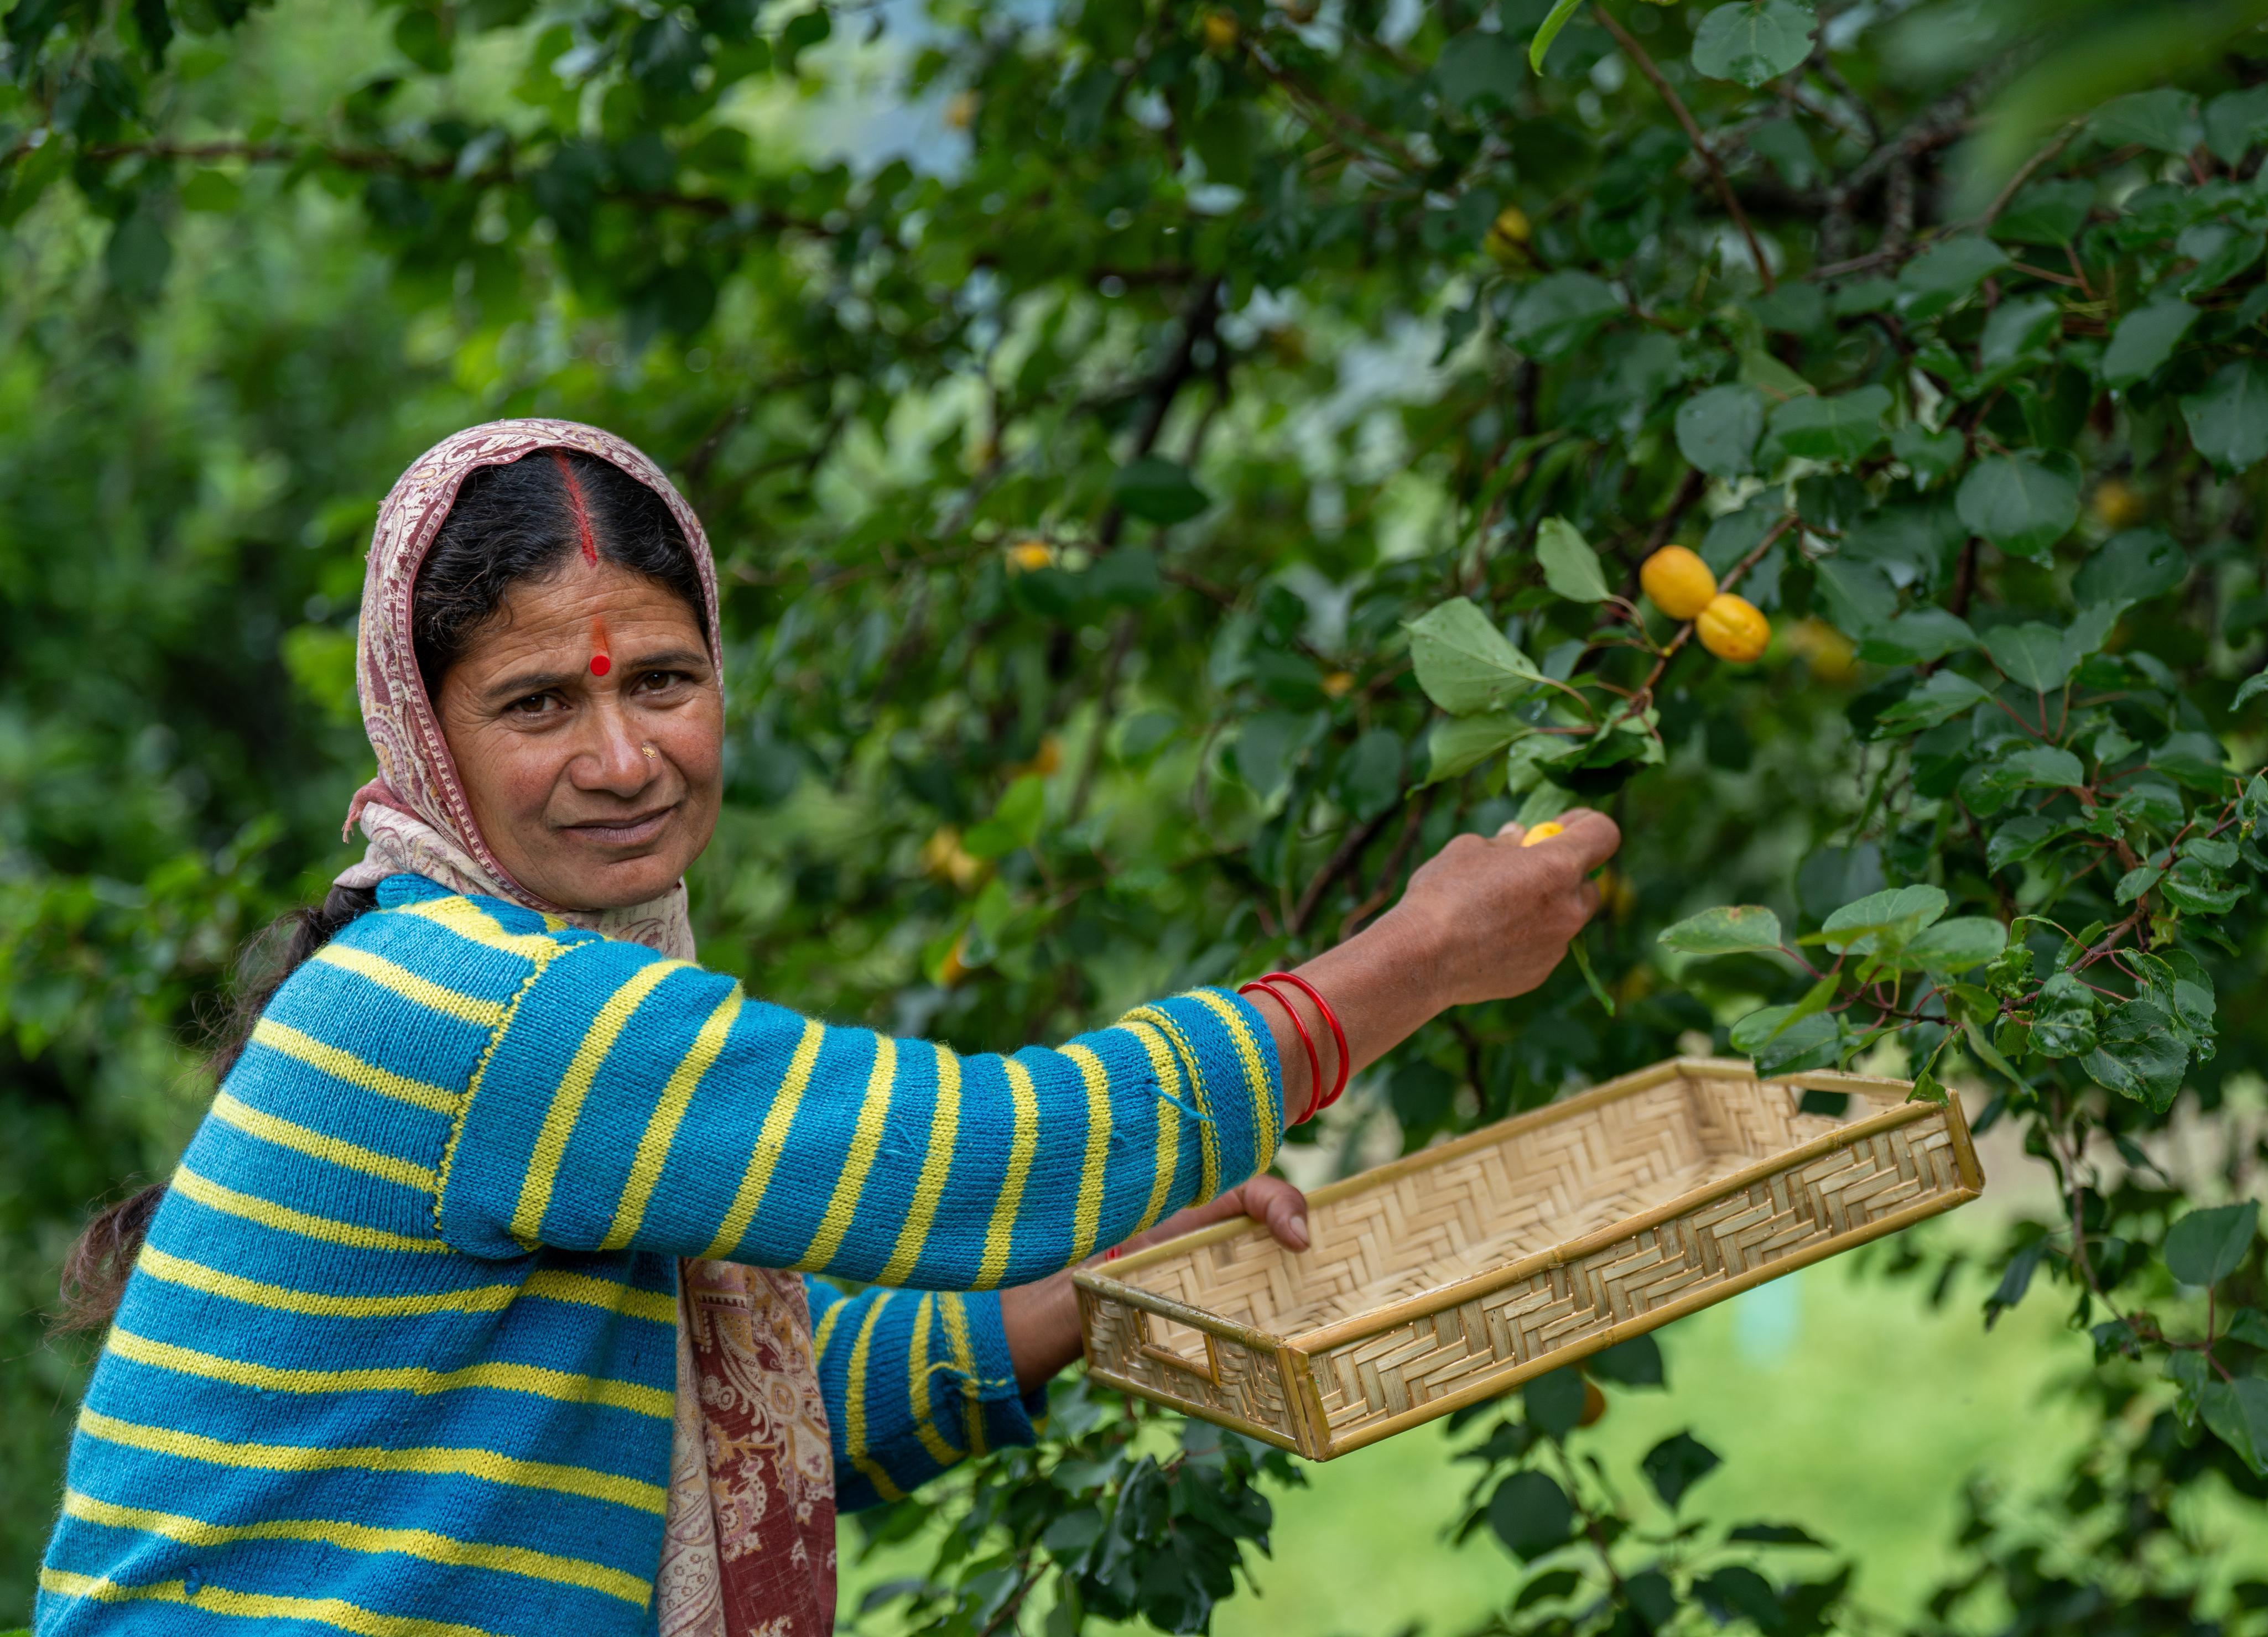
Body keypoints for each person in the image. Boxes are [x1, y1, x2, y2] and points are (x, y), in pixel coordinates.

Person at [35, 419, 1620, 1637]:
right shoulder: (468, 1005)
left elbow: (746, 1424)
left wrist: (1094, 1284)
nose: (623, 758)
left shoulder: (509, 983)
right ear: (423, 734)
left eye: (664, 681)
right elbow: (985, 1162)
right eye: (538, 703)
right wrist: (1420, 956)